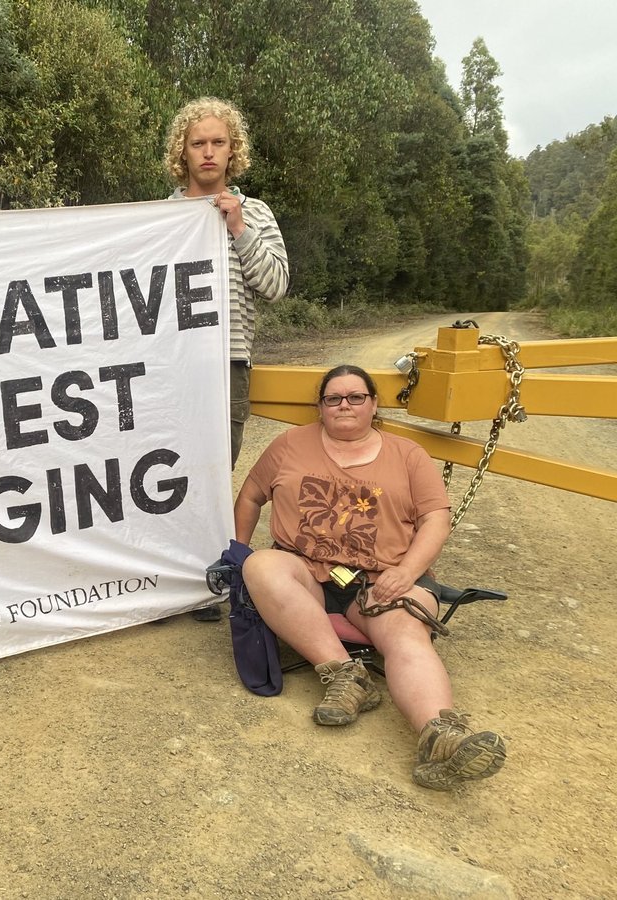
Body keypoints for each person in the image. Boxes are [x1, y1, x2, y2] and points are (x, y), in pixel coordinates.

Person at [233, 364, 506, 790]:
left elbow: (436, 518)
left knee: (405, 637)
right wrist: (239, 550)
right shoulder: (288, 445)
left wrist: (407, 571)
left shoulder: (407, 454)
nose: (344, 405)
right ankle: (345, 675)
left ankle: (442, 738)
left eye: (355, 397)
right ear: (320, 407)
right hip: (306, 570)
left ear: (373, 403)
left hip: (382, 578)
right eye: (333, 398)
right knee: (260, 566)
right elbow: (250, 495)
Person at [164, 97, 290, 621]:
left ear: (232, 150)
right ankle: (163, 581)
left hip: (229, 362)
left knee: (217, 471)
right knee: (164, 470)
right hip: (169, 367)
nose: (209, 152)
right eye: (199, 143)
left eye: (218, 142)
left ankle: (207, 578)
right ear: (183, 152)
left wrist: (238, 227)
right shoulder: (159, 217)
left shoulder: (254, 212)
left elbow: (275, 285)